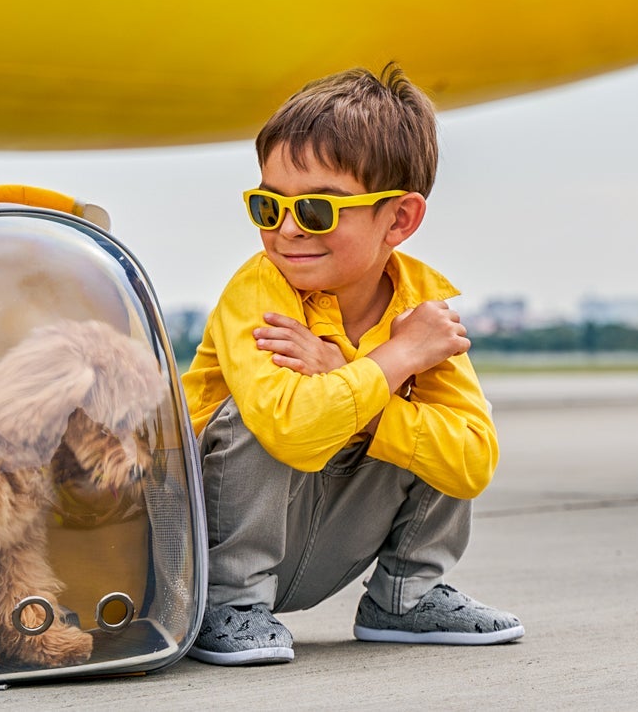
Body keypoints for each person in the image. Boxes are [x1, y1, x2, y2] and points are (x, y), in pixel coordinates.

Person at [180, 64, 522, 665]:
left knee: (433, 429)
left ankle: (403, 599)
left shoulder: (423, 312)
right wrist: (394, 360)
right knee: (254, 417)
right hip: (202, 550)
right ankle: (228, 604)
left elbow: (472, 461)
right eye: (267, 206)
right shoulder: (258, 293)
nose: (286, 231)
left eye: (317, 210)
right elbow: (289, 431)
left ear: (400, 219)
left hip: (325, 541)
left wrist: (363, 383)